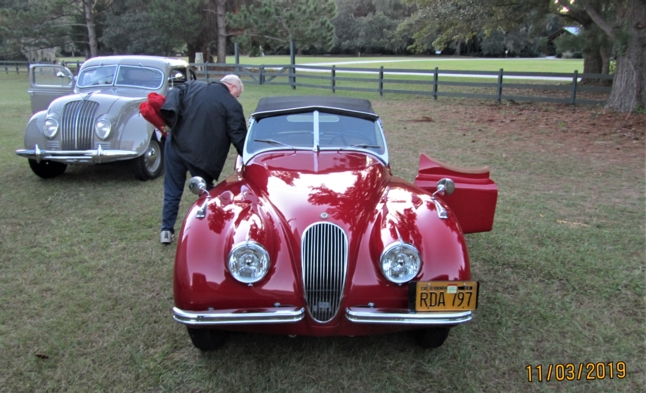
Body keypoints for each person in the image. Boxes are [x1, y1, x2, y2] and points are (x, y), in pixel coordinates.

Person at [158, 74, 247, 244]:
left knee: (172, 190)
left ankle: (166, 230)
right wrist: (249, 156)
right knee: (206, 194)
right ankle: (209, 231)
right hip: (200, 155)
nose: (237, 98)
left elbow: (173, 93)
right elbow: (238, 136)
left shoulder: (192, 86)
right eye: (238, 94)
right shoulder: (231, 104)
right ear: (233, 88)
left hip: (175, 146)